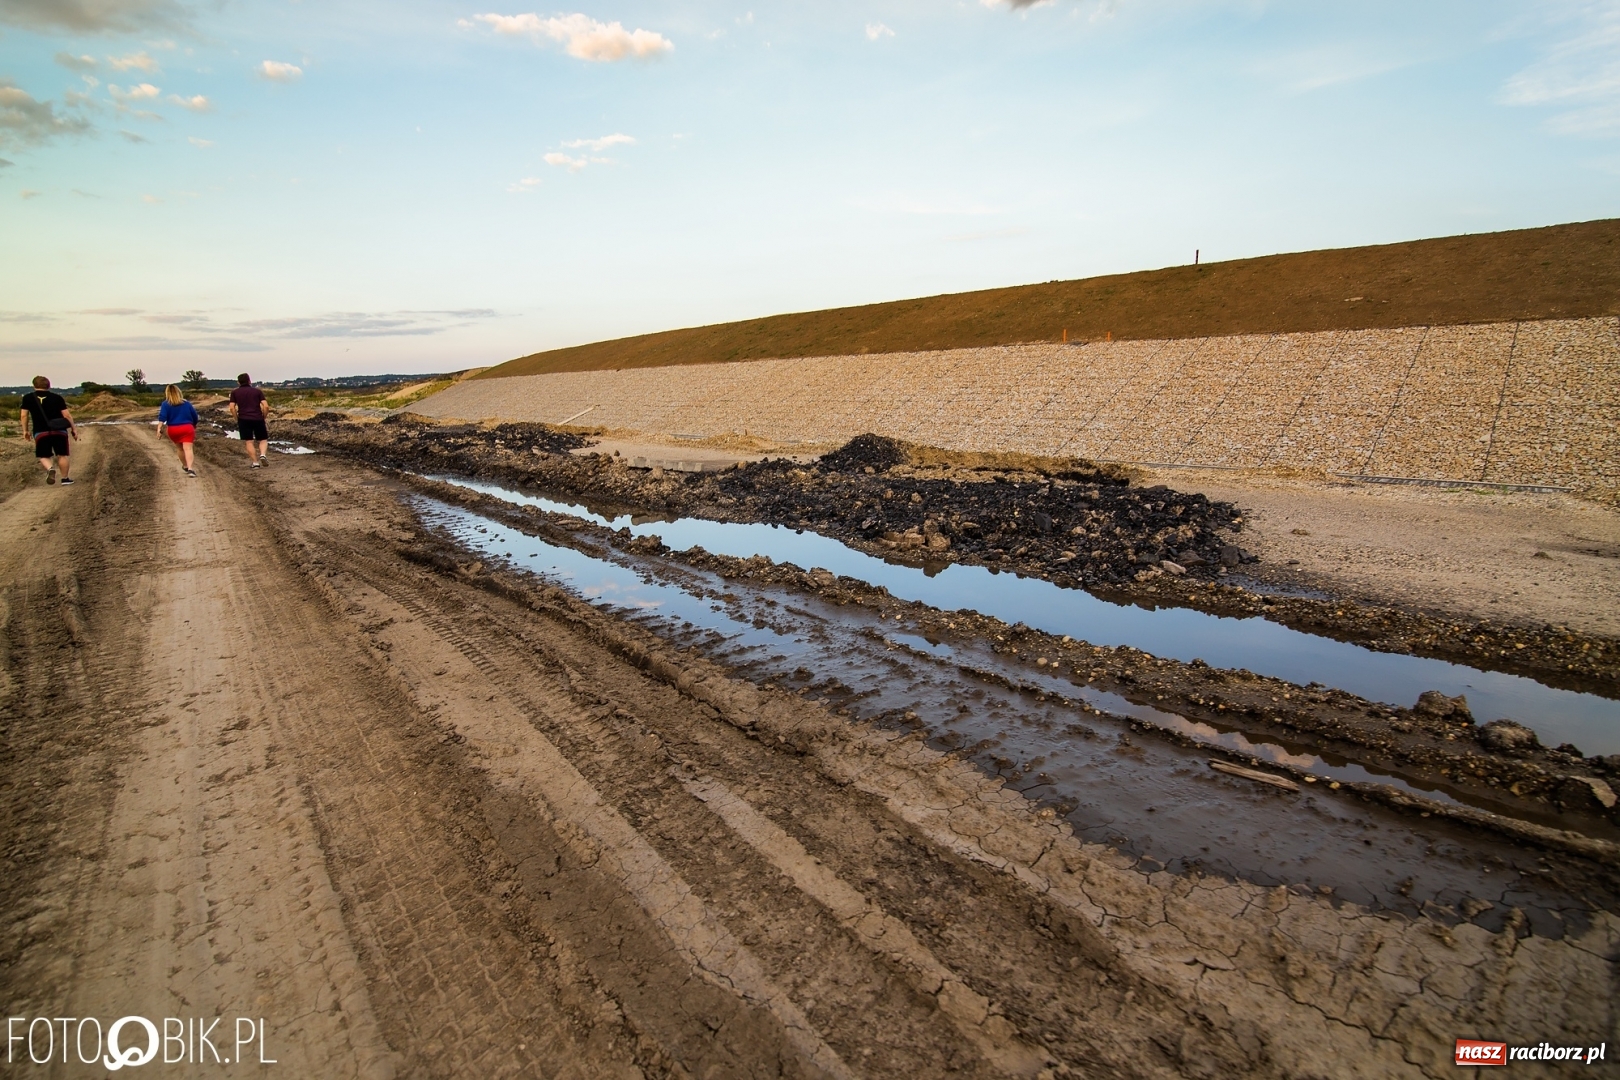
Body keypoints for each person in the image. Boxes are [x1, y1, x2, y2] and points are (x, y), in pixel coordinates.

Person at [19, 375, 78, 486]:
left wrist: (25, 430)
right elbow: (67, 415)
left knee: (44, 455)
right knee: (62, 455)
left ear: (34, 385)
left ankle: (50, 468)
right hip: (59, 430)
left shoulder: (28, 398)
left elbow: (24, 416)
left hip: (40, 431)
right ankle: (65, 479)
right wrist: (74, 429)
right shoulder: (57, 398)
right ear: (49, 385)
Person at [156, 384, 200, 477]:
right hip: (187, 428)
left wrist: (159, 428)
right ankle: (191, 469)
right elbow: (195, 416)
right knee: (188, 449)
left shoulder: (165, 404)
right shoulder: (186, 403)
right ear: (179, 392)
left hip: (173, 429)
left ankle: (185, 466)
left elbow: (162, 417)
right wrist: (194, 425)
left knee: (180, 449)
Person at [229, 373, 270, 468]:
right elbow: (266, 406)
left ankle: (255, 463)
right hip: (257, 418)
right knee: (263, 439)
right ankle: (263, 454)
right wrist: (264, 416)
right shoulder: (257, 392)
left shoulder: (235, 392)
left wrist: (236, 418)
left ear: (238, 382)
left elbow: (232, 408)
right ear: (249, 381)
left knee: (249, 441)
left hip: (243, 419)